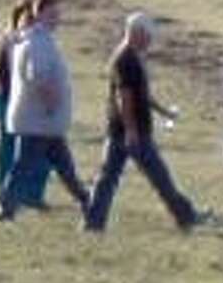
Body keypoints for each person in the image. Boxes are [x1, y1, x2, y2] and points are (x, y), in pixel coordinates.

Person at [84, 13, 203, 233]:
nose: (150, 41)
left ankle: (93, 222)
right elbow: (125, 97)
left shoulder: (132, 57)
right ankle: (186, 216)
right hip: (131, 131)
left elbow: (142, 95)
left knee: (107, 179)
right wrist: (131, 130)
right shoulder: (126, 60)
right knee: (159, 177)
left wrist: (163, 112)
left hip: (122, 130)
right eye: (148, 36)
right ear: (136, 33)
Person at [0, 0, 89, 223]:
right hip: (39, 121)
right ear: (39, 14)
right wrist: (51, 103)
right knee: (24, 167)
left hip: (43, 122)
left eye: (58, 14)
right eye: (52, 14)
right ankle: (5, 211)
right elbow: (37, 76)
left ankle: (90, 203)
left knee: (63, 169)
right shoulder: (39, 42)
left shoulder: (36, 40)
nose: (57, 19)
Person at [0, 0, 49, 207]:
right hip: (11, 100)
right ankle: (15, 192)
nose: (30, 23)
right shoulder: (14, 41)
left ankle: (13, 192)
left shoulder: (16, 40)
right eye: (27, 18)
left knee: (14, 149)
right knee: (15, 149)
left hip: (10, 100)